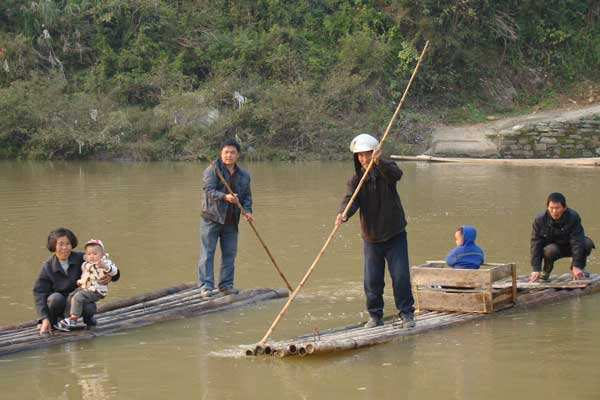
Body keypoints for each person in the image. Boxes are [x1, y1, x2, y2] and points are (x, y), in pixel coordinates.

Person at [336, 133, 415, 329]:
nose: (364, 159)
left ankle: (406, 314)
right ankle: (375, 316)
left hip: (395, 234)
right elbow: (350, 201)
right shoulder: (356, 181)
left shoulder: (387, 172)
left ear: (375, 153)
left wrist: (380, 162)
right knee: (372, 280)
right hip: (371, 238)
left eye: (367, 154)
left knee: (400, 276)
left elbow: (397, 175)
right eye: (360, 156)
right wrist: (343, 214)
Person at [33, 228, 121, 334]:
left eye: (68, 244)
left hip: (79, 299)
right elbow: (39, 293)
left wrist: (110, 277)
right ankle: (54, 321)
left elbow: (109, 267)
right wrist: (44, 318)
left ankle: (87, 320)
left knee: (89, 307)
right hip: (60, 303)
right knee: (54, 298)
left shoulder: (83, 257)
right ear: (53, 246)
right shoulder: (48, 266)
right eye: (60, 244)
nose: (65, 248)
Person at [197, 139, 253, 297]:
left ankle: (226, 285)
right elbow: (208, 190)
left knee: (230, 254)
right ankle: (206, 286)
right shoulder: (212, 170)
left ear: (238, 155)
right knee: (207, 253)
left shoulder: (244, 175)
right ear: (221, 154)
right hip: (211, 218)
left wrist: (248, 211)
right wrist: (225, 197)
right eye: (226, 152)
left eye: (232, 152)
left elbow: (247, 197)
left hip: (231, 221)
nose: (229, 155)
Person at [529, 192, 595, 282]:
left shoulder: (573, 217)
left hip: (571, 246)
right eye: (551, 208)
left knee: (587, 243)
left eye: (557, 208)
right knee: (549, 251)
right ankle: (545, 272)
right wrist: (536, 269)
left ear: (564, 208)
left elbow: (577, 241)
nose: (554, 211)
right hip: (554, 248)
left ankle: (579, 269)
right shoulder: (540, 220)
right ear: (547, 207)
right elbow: (535, 244)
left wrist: (576, 265)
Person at [56, 239, 118, 331]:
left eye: (95, 254)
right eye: (89, 254)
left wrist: (106, 268)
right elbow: (86, 275)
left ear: (102, 254)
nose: (92, 256)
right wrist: (81, 281)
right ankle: (67, 318)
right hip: (85, 288)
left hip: (96, 290)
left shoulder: (105, 263)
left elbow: (115, 271)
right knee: (71, 296)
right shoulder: (86, 264)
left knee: (78, 297)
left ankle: (73, 319)